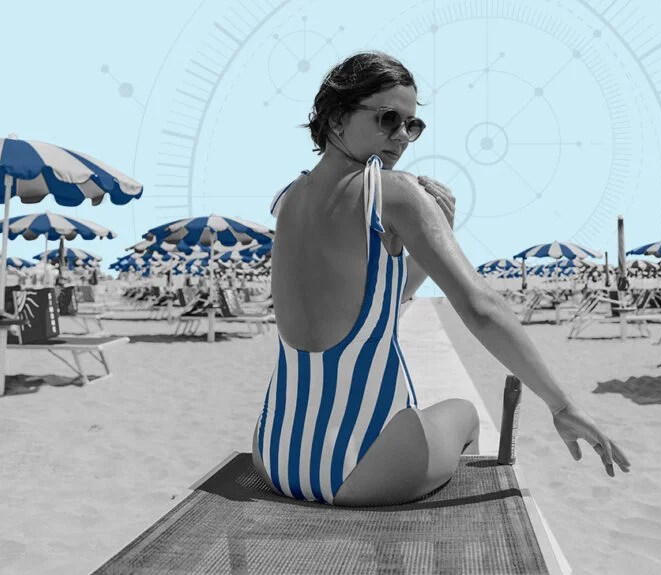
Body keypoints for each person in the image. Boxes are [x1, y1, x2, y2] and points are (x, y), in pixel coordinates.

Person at [253, 52, 629, 507]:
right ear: (336, 118)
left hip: (276, 456)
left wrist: (436, 239)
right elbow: (480, 306)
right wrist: (562, 405)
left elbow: (373, 305)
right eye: (387, 118)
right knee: (465, 414)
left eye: (412, 125)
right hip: (362, 472)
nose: (401, 137)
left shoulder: (288, 198)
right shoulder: (393, 192)